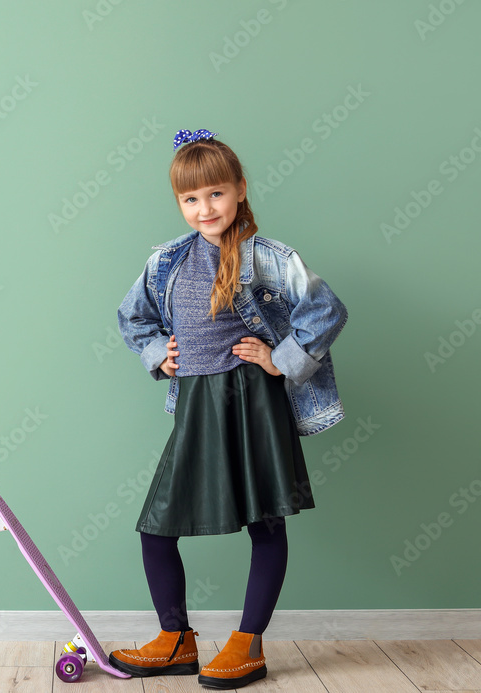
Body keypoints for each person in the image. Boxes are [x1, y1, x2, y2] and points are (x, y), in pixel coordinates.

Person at [111, 128, 348, 689]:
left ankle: (249, 643)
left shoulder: (269, 259)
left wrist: (280, 359)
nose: (203, 208)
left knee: (264, 525)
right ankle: (176, 640)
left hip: (253, 403)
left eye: (214, 194)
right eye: (190, 199)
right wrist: (156, 352)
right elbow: (132, 318)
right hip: (197, 404)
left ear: (240, 190)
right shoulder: (166, 261)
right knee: (157, 527)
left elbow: (327, 311)